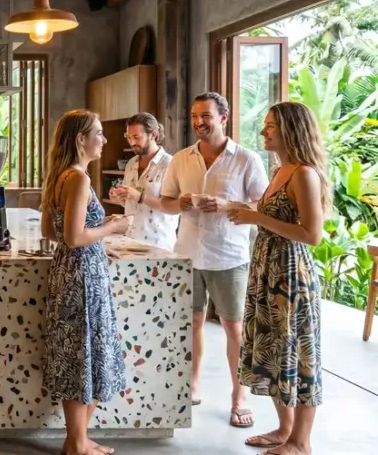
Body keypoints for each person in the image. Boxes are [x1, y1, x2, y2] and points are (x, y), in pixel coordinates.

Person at [159, 92, 268, 428]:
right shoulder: (180, 159)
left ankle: (239, 395)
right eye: (194, 116)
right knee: (190, 323)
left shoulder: (247, 159)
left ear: (224, 117)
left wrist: (227, 206)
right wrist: (183, 203)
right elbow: (165, 202)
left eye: (205, 116)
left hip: (229, 256)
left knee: (234, 328)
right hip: (187, 253)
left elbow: (263, 208)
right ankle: (191, 384)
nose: (198, 122)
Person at [229, 102, 326, 455]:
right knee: (273, 353)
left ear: (290, 129)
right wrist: (248, 215)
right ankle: (285, 430)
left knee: (297, 355)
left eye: (271, 126)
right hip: (268, 273)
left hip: (291, 277)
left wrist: (257, 218)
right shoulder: (278, 170)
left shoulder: (304, 173)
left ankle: (301, 442)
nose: (263, 131)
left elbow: (312, 234)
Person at [40, 109, 129, 455]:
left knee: (81, 355)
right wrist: (112, 227)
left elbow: (52, 231)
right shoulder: (78, 179)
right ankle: (77, 444)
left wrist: (98, 249)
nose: (105, 140)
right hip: (82, 279)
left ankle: (78, 439)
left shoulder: (59, 177)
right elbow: (75, 236)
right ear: (81, 140)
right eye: (99, 133)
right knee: (84, 355)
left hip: (71, 270)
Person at [109, 112, 179, 250]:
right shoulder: (131, 163)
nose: (132, 142)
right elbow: (130, 203)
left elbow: (175, 207)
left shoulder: (170, 164)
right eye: (129, 137)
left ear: (153, 135)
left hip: (159, 244)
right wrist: (119, 197)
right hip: (130, 240)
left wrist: (139, 196)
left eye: (136, 137)